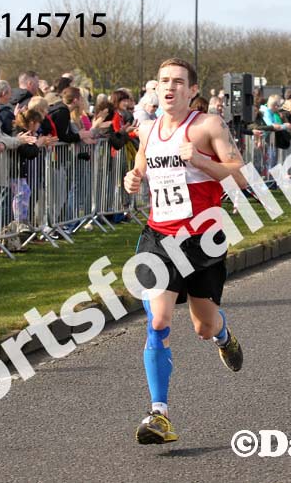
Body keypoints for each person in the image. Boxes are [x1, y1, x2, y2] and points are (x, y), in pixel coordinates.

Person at [123, 58, 246, 445]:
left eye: (178, 81)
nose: (170, 87)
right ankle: (159, 414)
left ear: (193, 90)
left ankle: (223, 335)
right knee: (158, 321)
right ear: (156, 89)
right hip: (160, 238)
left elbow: (240, 174)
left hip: (203, 241)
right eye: (163, 81)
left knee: (202, 327)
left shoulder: (208, 126)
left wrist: (200, 160)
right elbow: (141, 165)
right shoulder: (147, 129)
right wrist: (133, 177)